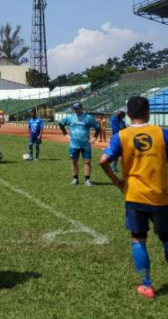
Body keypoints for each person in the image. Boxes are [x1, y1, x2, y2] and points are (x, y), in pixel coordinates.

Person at [99, 96, 168, 300]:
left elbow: (103, 160)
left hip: (134, 196)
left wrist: (117, 181)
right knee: (167, 239)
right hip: (161, 196)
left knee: (139, 239)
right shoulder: (162, 134)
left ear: (128, 115)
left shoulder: (122, 135)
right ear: (148, 112)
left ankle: (147, 286)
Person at [59, 103, 100, 186]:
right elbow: (61, 123)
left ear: (82, 108)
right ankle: (75, 178)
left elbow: (97, 127)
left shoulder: (88, 117)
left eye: (78, 108)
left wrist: (95, 137)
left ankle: (87, 180)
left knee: (87, 161)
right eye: (75, 109)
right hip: (74, 144)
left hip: (85, 144)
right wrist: (66, 134)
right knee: (74, 161)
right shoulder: (71, 117)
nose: (76, 110)